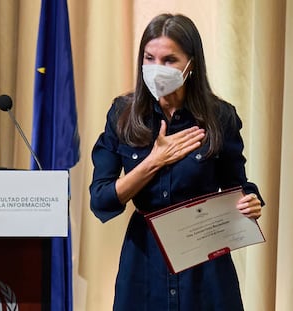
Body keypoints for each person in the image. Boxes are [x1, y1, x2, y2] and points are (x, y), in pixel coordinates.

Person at [89, 13, 264, 311]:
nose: (157, 68)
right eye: (149, 58)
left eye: (169, 60)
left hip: (204, 263)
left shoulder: (220, 117)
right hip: (144, 259)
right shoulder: (122, 115)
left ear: (191, 65)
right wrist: (154, 162)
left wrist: (251, 201)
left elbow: (239, 185)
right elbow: (101, 199)